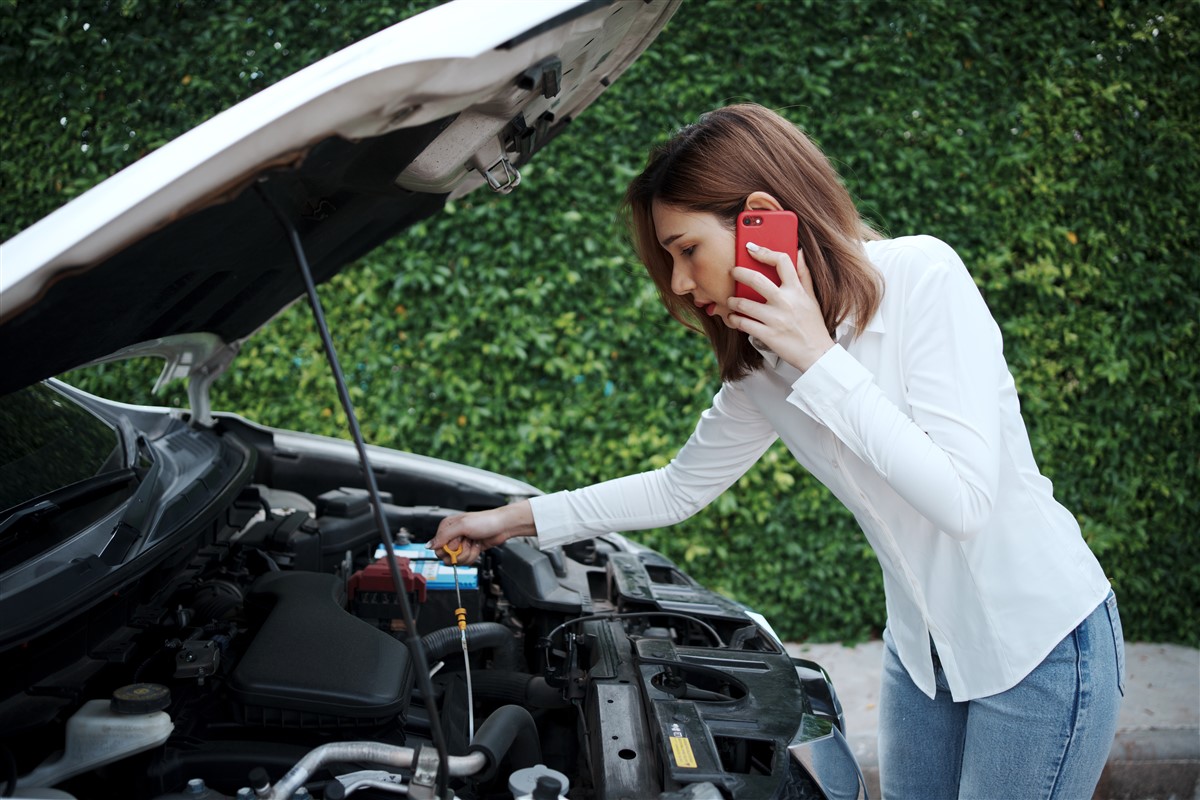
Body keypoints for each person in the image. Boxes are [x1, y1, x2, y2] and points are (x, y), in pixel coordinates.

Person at [428, 103, 1124, 799]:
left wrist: (820, 360)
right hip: (923, 655)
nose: (676, 283)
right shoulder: (765, 367)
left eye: (686, 249)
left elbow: (964, 502)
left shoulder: (921, 278)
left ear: (762, 216)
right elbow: (678, 488)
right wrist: (512, 519)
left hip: (1040, 647)